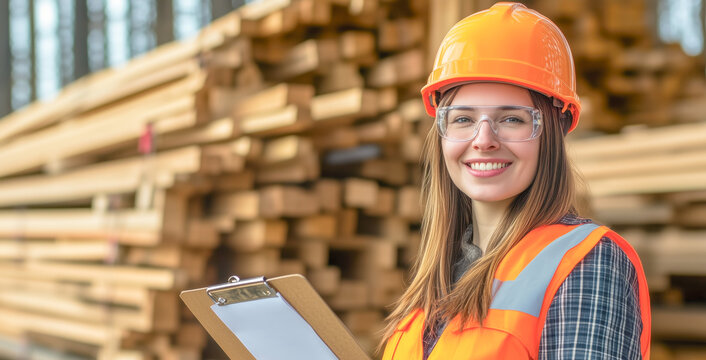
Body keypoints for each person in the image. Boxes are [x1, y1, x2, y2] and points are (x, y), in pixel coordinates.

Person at [379, 3, 651, 359]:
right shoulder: (431, 292)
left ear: (551, 135)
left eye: (511, 119)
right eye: (462, 119)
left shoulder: (588, 263)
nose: (484, 139)